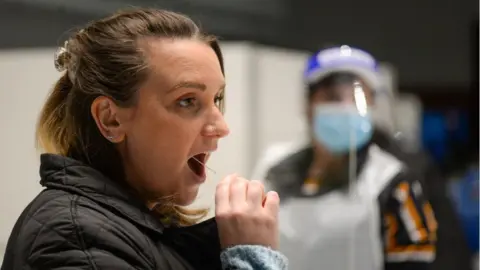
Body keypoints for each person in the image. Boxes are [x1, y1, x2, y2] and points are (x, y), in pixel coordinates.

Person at [1, 8, 287, 270]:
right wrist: (251, 259)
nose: (221, 126)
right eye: (187, 101)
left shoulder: (130, 229)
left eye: (216, 99)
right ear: (110, 118)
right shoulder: (75, 239)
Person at [252, 46, 437, 270]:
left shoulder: (392, 182)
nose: (346, 107)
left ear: (372, 106)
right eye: (333, 97)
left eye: (357, 99)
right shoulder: (273, 168)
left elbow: (415, 262)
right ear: (309, 105)